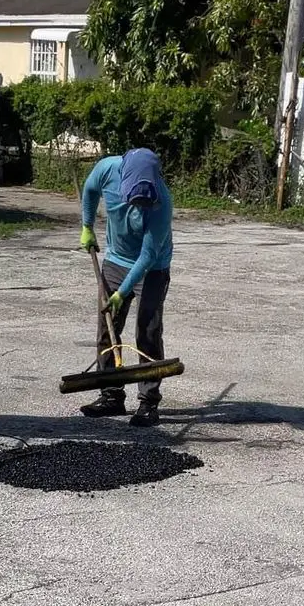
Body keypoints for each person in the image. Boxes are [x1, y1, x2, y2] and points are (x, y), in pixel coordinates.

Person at [79, 147, 173, 428]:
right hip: (115, 262)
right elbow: (89, 189)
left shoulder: (161, 203)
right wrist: (87, 226)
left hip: (151, 269)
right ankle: (111, 395)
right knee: (107, 328)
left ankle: (148, 402)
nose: (139, 207)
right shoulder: (108, 169)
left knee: (148, 331)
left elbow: (147, 256)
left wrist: (122, 292)